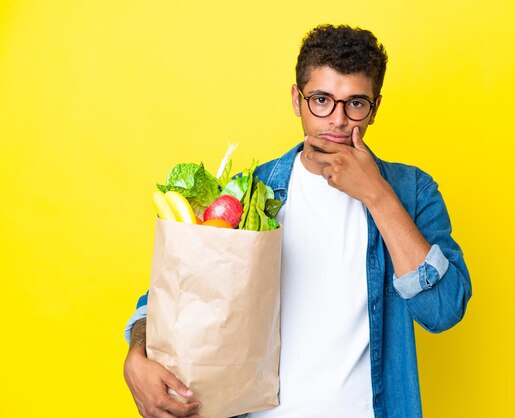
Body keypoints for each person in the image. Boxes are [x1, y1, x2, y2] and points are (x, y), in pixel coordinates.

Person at [123, 24, 472, 418]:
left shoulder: (411, 192)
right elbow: (172, 298)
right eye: (321, 100)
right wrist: (136, 356)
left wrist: (377, 194)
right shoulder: (251, 193)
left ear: (375, 107)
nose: (338, 120)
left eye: (355, 103)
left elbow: (443, 310)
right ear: (297, 100)